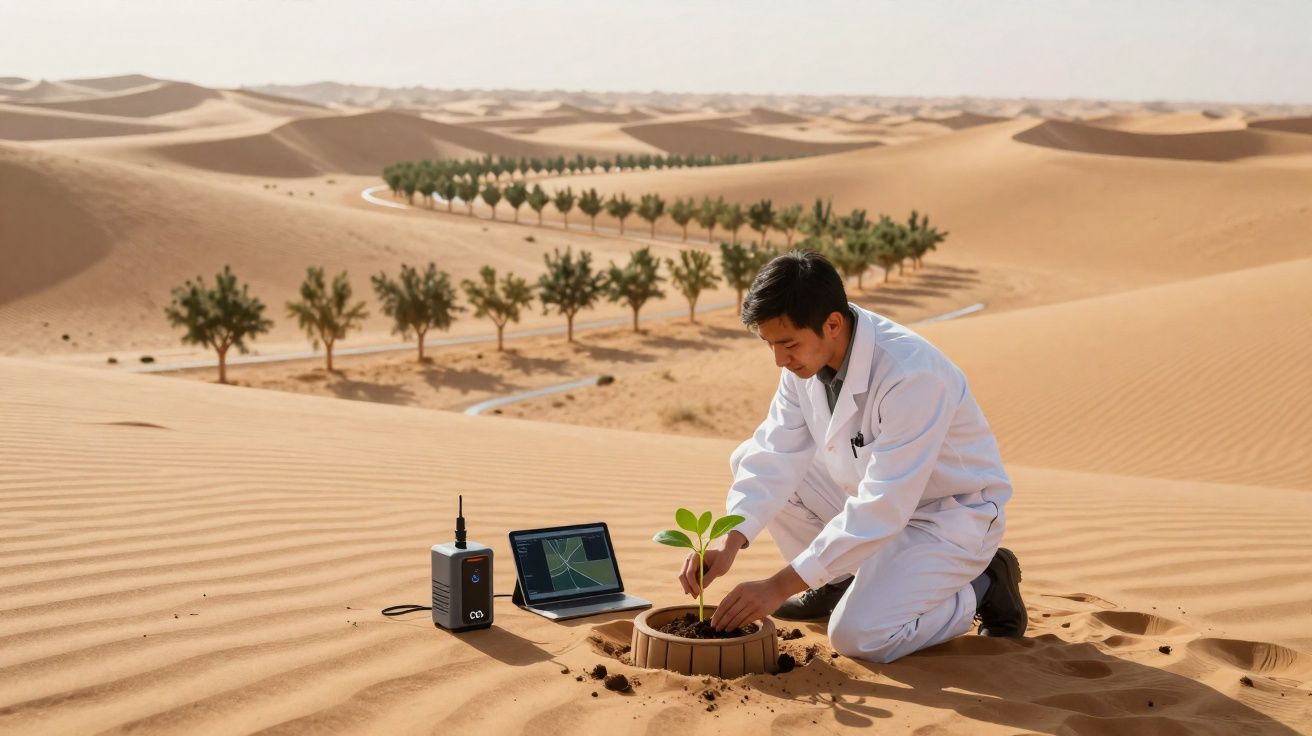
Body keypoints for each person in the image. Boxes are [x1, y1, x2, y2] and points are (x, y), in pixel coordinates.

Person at [678, 250, 1025, 664]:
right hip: (872, 497)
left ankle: (985, 583)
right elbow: (774, 452)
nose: (780, 361)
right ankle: (838, 581)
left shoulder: (911, 374)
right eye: (770, 345)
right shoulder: (804, 364)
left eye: (788, 344)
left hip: (947, 516)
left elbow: (883, 506)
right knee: (749, 458)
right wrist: (729, 543)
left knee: (858, 637)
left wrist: (778, 586)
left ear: (833, 324)